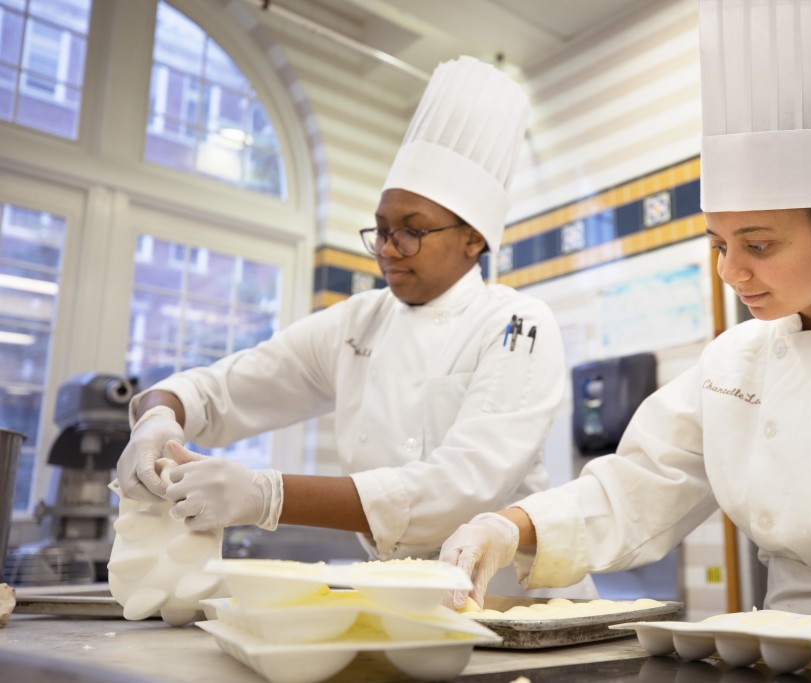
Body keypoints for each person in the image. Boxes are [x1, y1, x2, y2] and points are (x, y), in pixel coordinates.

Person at [439, 0, 811, 654]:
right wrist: (507, 526)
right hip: (785, 657)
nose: (730, 270)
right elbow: (633, 491)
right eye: (718, 243)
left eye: (759, 245)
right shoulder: (733, 364)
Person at [115, 57, 581, 590]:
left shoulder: (517, 322)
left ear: (473, 239)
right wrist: (159, 417)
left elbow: (460, 487)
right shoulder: (358, 323)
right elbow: (224, 388)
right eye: (380, 230)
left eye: (410, 232)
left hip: (513, 600)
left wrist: (269, 495)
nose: (386, 250)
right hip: (401, 592)